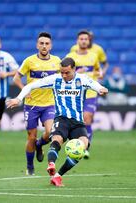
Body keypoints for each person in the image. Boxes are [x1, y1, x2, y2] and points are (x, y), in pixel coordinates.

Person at [6, 57, 108, 187]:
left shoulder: (82, 79)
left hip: (77, 121)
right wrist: (19, 99)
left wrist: (102, 89)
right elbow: (31, 85)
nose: (64, 75)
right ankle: (51, 164)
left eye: (67, 73)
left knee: (83, 146)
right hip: (61, 119)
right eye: (62, 72)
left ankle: (58, 176)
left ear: (74, 69)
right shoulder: (55, 79)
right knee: (57, 139)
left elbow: (97, 86)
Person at [13, 32, 61, 175]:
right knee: (31, 137)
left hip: (50, 104)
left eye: (47, 43)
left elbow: (64, 78)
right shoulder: (29, 61)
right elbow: (16, 78)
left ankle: (40, 145)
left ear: (51, 46)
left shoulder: (57, 61)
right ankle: (30, 167)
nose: (44, 46)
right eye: (41, 43)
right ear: (37, 45)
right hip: (31, 105)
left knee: (50, 132)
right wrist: (24, 90)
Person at [66, 30, 102, 159]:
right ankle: (75, 144)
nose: (83, 41)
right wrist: (76, 73)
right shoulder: (70, 56)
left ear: (89, 41)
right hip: (75, 93)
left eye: (86, 39)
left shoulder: (94, 56)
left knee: (87, 118)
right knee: (75, 121)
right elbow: (64, 73)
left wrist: (100, 74)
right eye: (81, 39)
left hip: (90, 93)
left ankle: (85, 148)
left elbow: (98, 69)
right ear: (77, 41)